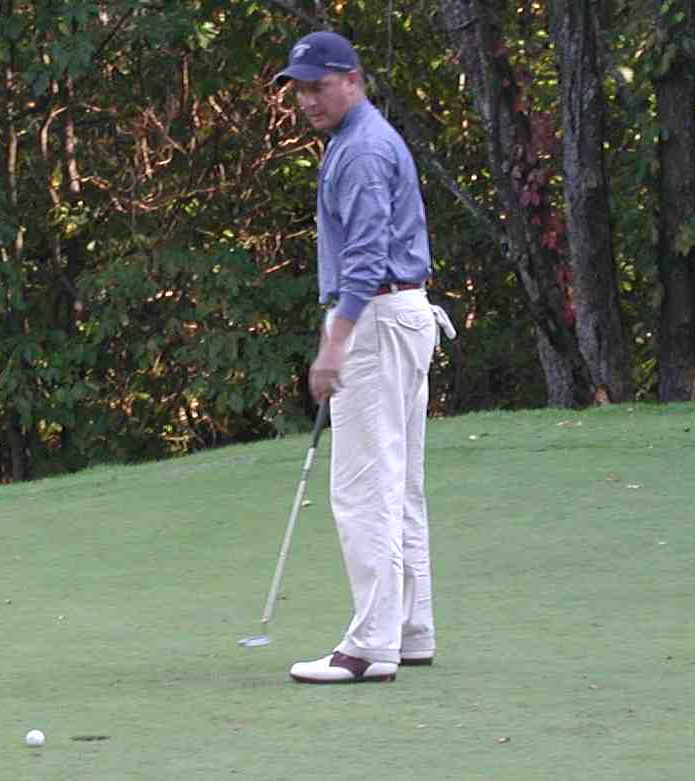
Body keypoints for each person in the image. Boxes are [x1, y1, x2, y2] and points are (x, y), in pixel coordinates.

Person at [273, 31, 455, 683]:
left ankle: (371, 645)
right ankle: (409, 630)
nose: (306, 100)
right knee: (398, 483)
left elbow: (367, 256)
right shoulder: (361, 140)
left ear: (352, 79)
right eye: (299, 89)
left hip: (376, 320)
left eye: (318, 86)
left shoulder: (361, 149)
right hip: (399, 314)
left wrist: (335, 343)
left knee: (362, 487)